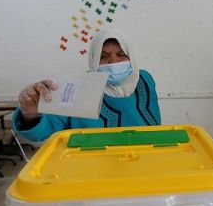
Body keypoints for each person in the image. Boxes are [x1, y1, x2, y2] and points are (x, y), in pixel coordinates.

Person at [13, 29, 161, 141]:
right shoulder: (76, 89)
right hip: (95, 169)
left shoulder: (144, 80)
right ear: (94, 60)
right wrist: (30, 114)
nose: (114, 61)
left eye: (121, 54)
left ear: (132, 56)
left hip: (146, 162)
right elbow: (42, 130)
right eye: (103, 56)